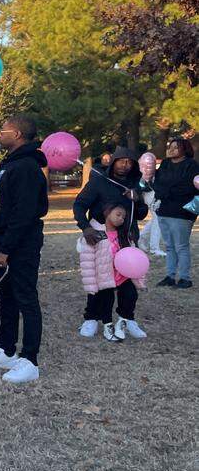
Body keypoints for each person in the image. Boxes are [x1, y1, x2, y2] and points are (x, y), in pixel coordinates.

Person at [0, 115, 48, 385]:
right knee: (6, 297)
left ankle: (30, 360)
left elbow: (23, 213)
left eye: (2, 130)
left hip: (19, 246)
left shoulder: (27, 166)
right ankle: (6, 349)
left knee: (25, 298)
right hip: (2, 243)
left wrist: (6, 248)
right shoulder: (11, 164)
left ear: (16, 134)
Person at [77, 201, 148, 342]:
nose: (121, 218)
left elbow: (134, 258)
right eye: (118, 214)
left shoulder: (125, 235)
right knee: (106, 301)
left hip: (122, 276)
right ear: (107, 213)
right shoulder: (95, 234)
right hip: (105, 277)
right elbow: (87, 262)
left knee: (131, 295)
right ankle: (107, 325)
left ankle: (122, 321)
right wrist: (92, 285)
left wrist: (139, 278)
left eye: (123, 217)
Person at [73, 147, 147, 245]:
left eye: (129, 162)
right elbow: (79, 205)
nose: (124, 165)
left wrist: (137, 201)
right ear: (113, 162)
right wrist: (86, 227)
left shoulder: (134, 185)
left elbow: (141, 215)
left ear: (133, 165)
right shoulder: (98, 181)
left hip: (128, 238)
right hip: (102, 238)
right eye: (120, 161)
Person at [152, 137, 198, 289]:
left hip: (182, 213)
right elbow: (157, 183)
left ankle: (185, 278)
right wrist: (164, 192)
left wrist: (166, 191)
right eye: (169, 147)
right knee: (169, 246)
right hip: (164, 210)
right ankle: (170, 276)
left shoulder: (191, 165)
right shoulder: (165, 164)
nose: (171, 150)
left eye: (175, 147)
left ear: (184, 149)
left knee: (181, 246)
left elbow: (187, 187)